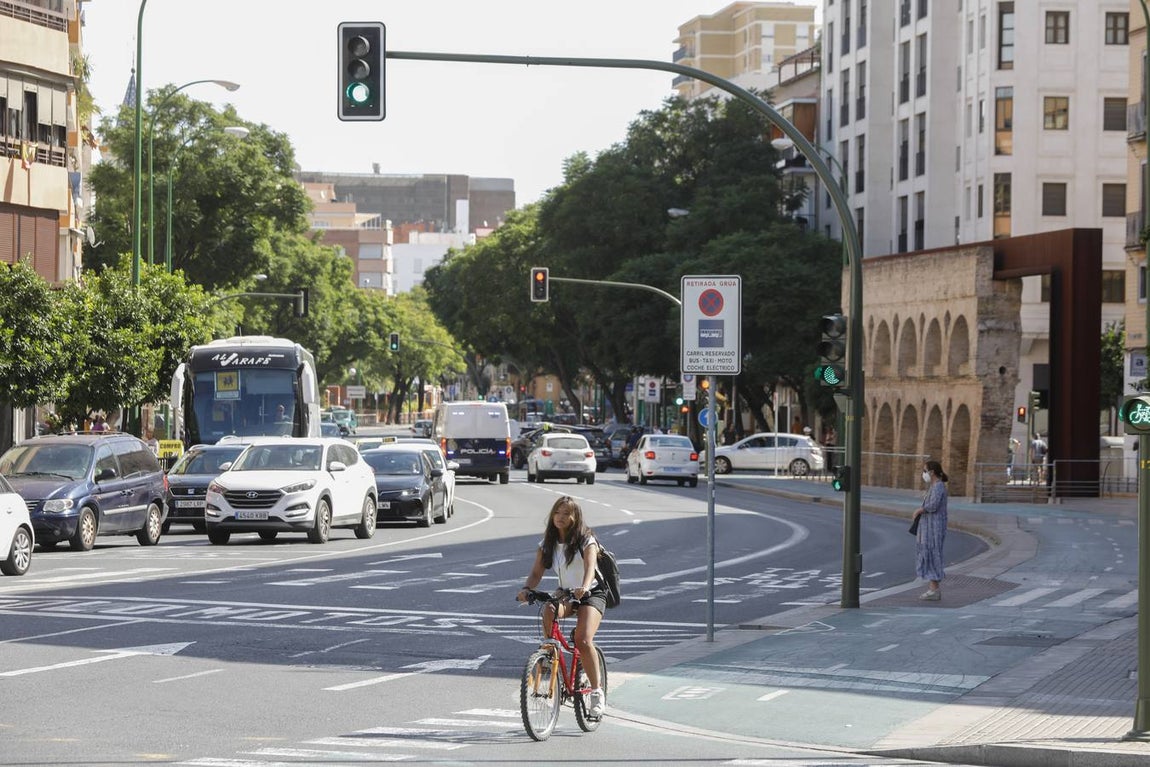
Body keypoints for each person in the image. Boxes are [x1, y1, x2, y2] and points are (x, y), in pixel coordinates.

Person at [517, 496, 607, 717]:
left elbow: (589, 568)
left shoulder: (587, 540)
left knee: (583, 640)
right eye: (558, 512)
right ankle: (549, 656)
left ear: (575, 517)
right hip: (566, 593)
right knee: (548, 608)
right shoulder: (547, 543)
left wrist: (585, 588)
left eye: (566, 513)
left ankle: (596, 692)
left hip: (591, 593)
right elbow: (537, 572)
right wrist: (526, 589)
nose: (561, 517)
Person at [911, 460, 949, 601]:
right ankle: (933, 588)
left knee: (933, 554)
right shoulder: (934, 487)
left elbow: (933, 505)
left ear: (932, 472)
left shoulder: (938, 486)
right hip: (929, 527)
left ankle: (934, 589)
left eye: (925, 471)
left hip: (934, 528)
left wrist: (920, 510)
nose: (924, 474)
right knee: (928, 554)